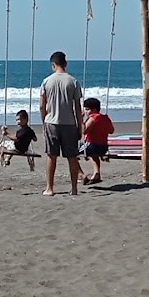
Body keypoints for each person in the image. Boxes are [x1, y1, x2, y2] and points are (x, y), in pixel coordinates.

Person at [38, 50, 83, 196]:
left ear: (53, 64)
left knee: (51, 155)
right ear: (65, 63)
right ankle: (74, 188)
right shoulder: (73, 81)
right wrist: (80, 126)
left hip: (51, 122)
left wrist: (44, 120)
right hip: (69, 123)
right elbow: (77, 108)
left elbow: (41, 105)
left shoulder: (47, 81)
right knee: (72, 156)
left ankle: (49, 188)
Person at [81, 97, 114, 184]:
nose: (86, 112)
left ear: (94, 109)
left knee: (71, 153)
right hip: (103, 147)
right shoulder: (105, 118)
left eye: (87, 109)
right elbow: (111, 130)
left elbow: (84, 131)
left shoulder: (93, 118)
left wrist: (80, 120)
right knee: (93, 155)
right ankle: (96, 173)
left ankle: (82, 175)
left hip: (92, 145)